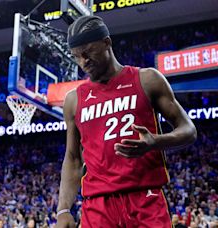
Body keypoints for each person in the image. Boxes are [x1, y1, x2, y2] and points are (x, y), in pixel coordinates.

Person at [56, 15, 197, 227]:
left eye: (88, 53)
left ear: (107, 42)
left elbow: (189, 130)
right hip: (98, 206)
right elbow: (73, 157)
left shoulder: (147, 79)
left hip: (145, 198)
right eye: (77, 56)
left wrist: (155, 142)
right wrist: (63, 209)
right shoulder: (74, 100)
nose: (83, 62)